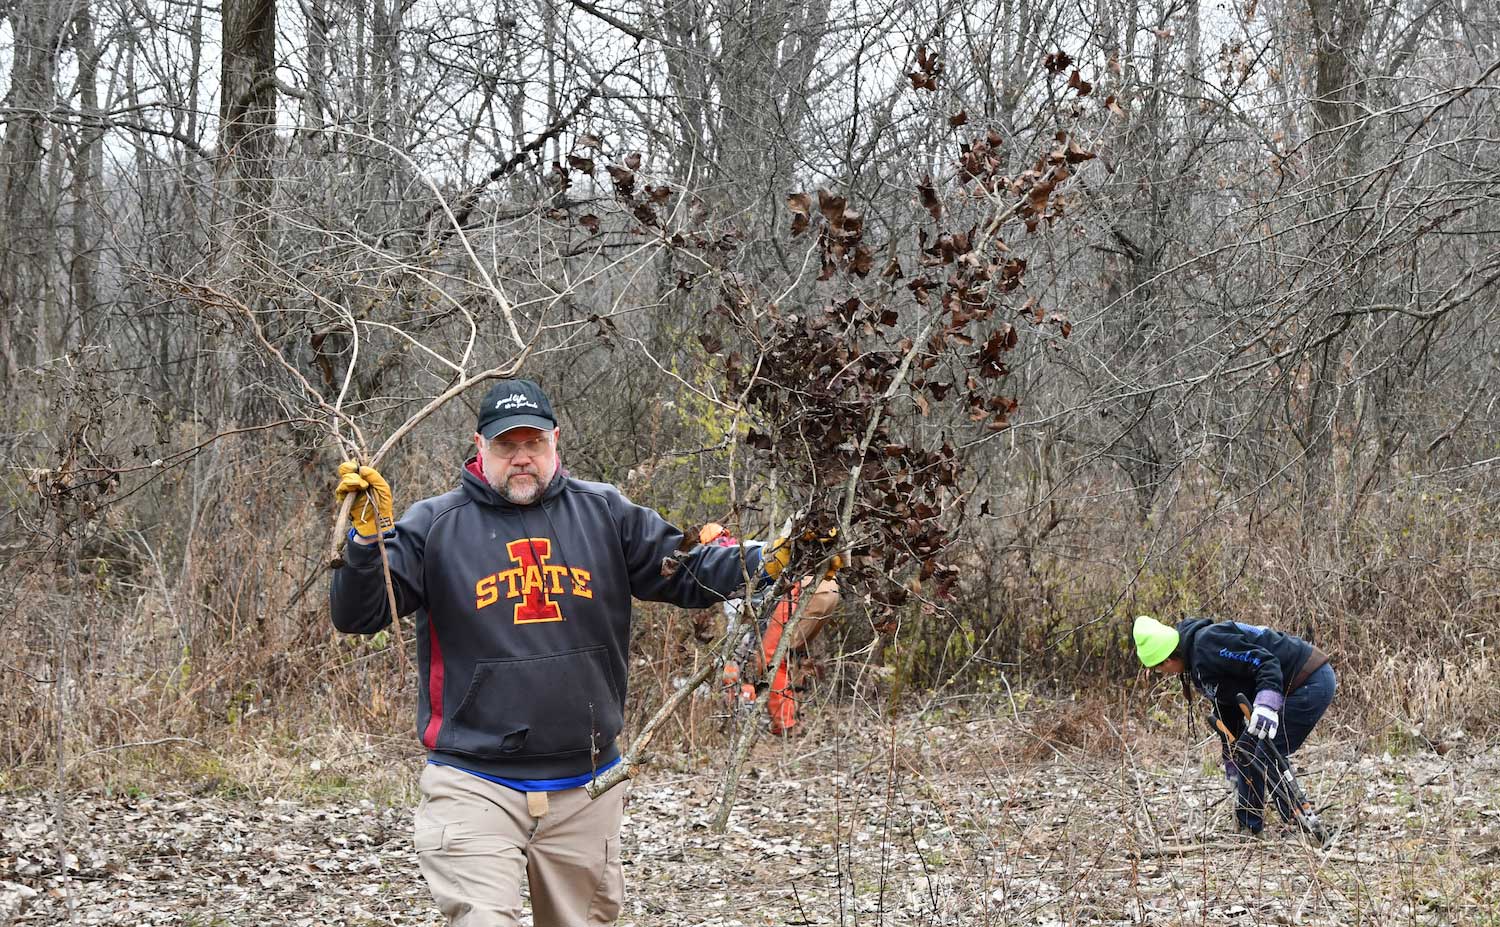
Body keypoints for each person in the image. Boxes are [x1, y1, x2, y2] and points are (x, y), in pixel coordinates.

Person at [329, 378, 803, 927]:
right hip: (473, 781)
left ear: (557, 442)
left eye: (534, 444)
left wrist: (771, 560)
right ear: (480, 448)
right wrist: (368, 542)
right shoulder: (434, 525)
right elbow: (358, 615)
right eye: (507, 446)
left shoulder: (605, 513)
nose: (522, 458)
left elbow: (687, 569)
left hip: (586, 786)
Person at [1132, 614, 1336, 836]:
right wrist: (1232, 758)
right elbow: (1226, 703)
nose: (1164, 674)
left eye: (1160, 669)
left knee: (1263, 751)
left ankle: (1299, 823)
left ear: (1168, 660)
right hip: (1293, 684)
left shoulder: (1208, 646)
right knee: (1247, 751)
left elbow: (1266, 662)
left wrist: (1267, 704)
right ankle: (1250, 828)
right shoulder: (1196, 661)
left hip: (1309, 680)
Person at [703, 524, 841, 736]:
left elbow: (737, 624)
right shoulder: (749, 547)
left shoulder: (730, 569)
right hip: (827, 586)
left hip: (801, 589)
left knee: (771, 660)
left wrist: (732, 660)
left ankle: (785, 726)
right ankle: (795, 716)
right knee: (793, 655)